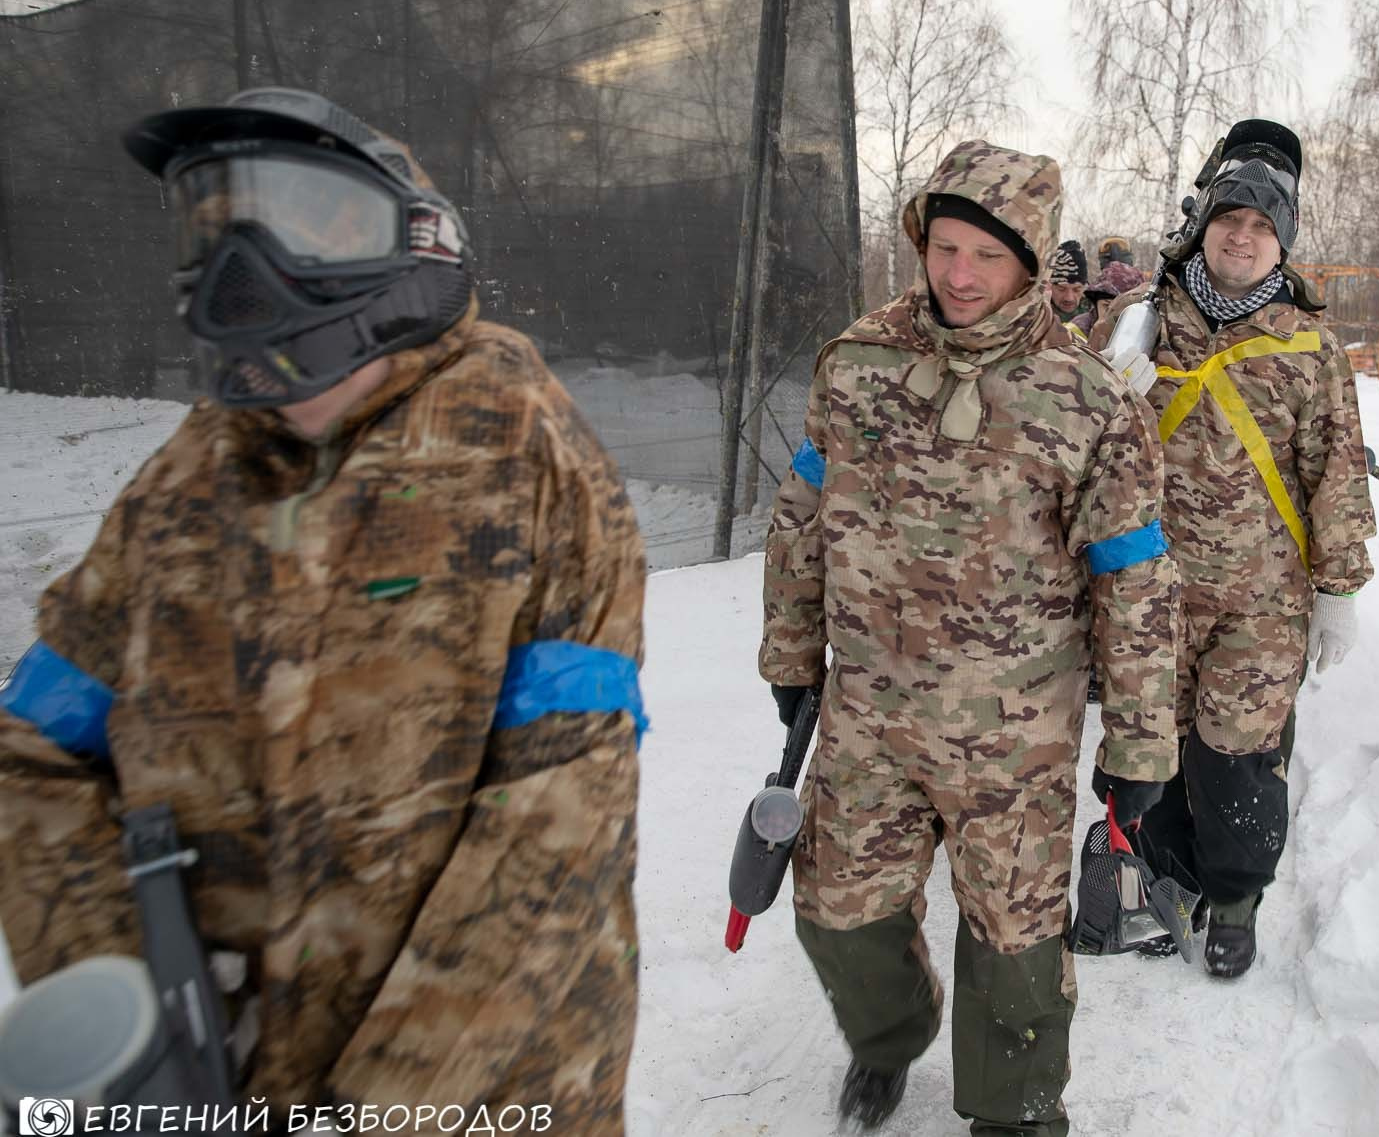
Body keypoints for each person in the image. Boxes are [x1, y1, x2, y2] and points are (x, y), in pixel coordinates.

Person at [0, 89, 648, 1129]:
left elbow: (564, 812)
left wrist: (374, 1108)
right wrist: (128, 1013)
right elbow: (34, 745)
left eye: (300, 218)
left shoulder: (521, 445)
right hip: (218, 1077)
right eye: (214, 225)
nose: (242, 264)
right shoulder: (184, 478)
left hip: (487, 1090)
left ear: (410, 241)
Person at [760, 140, 1179, 1135]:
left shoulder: (1086, 399)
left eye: (984, 256)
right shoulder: (860, 363)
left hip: (1015, 730)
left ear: (1031, 262)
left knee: (1013, 943)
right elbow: (801, 513)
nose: (957, 274)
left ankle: (1016, 1110)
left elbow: (1133, 577)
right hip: (867, 710)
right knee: (837, 915)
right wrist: (788, 656)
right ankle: (890, 1035)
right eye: (943, 246)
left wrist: (1139, 744)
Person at [1092, 119, 1376, 979]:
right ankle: (1165, 878)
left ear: (1281, 242)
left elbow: (1339, 467)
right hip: (1152, 592)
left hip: (1263, 602)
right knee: (1157, 745)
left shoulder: (1309, 346)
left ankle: (1238, 894)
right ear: (1204, 225)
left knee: (1239, 755)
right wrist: (1111, 386)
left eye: (1261, 226)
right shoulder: (1137, 323)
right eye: (1229, 220)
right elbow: (1071, 443)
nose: (1242, 237)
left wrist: (1341, 587)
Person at [1080, 260, 1150, 336]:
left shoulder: (1145, 333)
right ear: (1096, 304)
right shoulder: (1078, 331)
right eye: (1106, 306)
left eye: (1122, 308)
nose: (1112, 314)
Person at [1045, 239, 1092, 332]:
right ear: (1049, 286)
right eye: (1061, 289)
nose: (1069, 298)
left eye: (1076, 289)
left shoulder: (1097, 312)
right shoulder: (1036, 314)